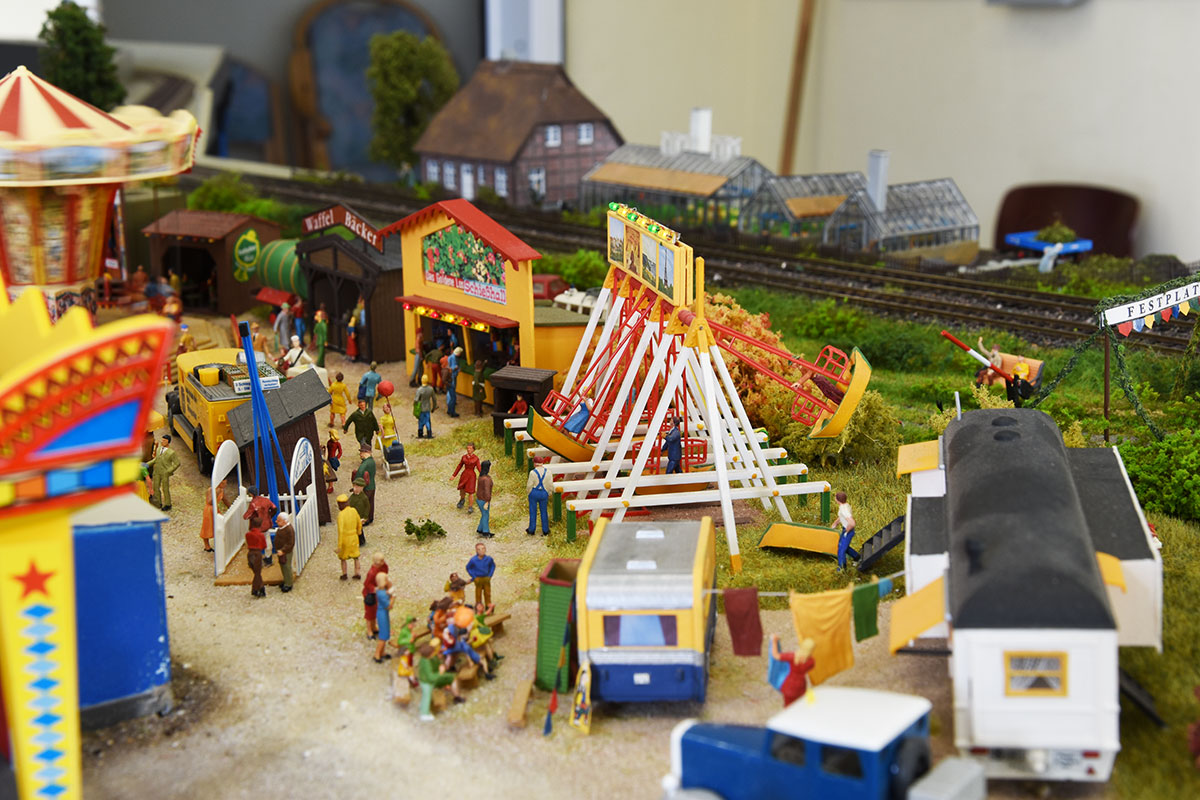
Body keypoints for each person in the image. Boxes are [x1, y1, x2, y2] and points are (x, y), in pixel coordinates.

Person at [416, 641, 464, 721]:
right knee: (427, 696)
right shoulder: (426, 662)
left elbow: (438, 664)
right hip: (427, 682)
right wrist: (440, 672)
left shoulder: (427, 658)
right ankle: (424, 714)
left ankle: (457, 697)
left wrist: (440, 661)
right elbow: (431, 677)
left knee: (426, 696)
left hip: (429, 680)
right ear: (428, 654)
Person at [768, 633, 816, 707]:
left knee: (788, 707)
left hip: (789, 686)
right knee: (800, 704)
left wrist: (774, 641)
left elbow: (776, 655)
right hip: (801, 686)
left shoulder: (793, 656)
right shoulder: (811, 662)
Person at [243, 496, 274, 598]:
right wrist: (269, 516)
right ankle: (259, 589)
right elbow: (263, 545)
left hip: (250, 553)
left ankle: (257, 589)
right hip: (258, 554)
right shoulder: (266, 501)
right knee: (258, 573)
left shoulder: (248, 534)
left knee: (256, 573)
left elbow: (246, 516)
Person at [148, 434, 180, 511]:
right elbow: (156, 460)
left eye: (164, 440)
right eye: (162, 440)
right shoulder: (159, 449)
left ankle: (168, 504)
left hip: (165, 473)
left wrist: (169, 470)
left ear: (168, 442)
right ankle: (158, 502)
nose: (162, 442)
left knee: (165, 488)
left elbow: (177, 463)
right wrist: (147, 464)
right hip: (157, 471)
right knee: (156, 487)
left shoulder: (171, 452)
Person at [363, 553, 389, 639]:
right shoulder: (372, 573)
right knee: (369, 613)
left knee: (375, 611)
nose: (383, 562)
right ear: (376, 562)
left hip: (377, 594)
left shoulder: (381, 567)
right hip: (370, 595)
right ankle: (369, 630)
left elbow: (385, 571)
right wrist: (375, 589)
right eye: (381, 560)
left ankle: (374, 627)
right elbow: (367, 584)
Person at [336, 494, 362, 580]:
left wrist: (339, 545)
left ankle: (344, 574)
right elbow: (359, 522)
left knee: (343, 558)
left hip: (345, 539)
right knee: (356, 556)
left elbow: (340, 531)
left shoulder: (341, 515)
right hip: (354, 537)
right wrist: (359, 531)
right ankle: (357, 573)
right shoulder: (353, 510)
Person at [526, 456, 554, 536]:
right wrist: (549, 492)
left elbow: (529, 484)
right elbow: (550, 484)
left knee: (532, 511)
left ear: (535, 464)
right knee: (544, 511)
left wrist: (529, 492)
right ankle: (545, 530)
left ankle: (531, 529)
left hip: (534, 492)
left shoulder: (532, 472)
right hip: (544, 492)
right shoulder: (548, 472)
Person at [832, 490, 859, 571]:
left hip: (848, 531)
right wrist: (836, 523)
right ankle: (857, 557)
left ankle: (842, 568)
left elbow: (852, 523)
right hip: (846, 529)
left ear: (837, 499)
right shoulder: (845, 505)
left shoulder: (844, 509)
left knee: (841, 550)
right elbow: (841, 516)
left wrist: (847, 531)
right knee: (844, 547)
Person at [200, 479, 229, 553]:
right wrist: (216, 493)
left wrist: (230, 507)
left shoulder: (221, 490)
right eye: (224, 483)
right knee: (207, 527)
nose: (225, 485)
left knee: (218, 525)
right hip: (209, 510)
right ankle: (207, 546)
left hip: (215, 510)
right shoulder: (211, 490)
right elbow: (210, 501)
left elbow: (225, 500)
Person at [466, 542, 495, 611]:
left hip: (486, 578)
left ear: (485, 549)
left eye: (483, 548)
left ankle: (488, 606)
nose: (481, 551)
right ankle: (479, 607)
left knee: (487, 593)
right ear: (476, 550)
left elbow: (492, 566)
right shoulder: (473, 560)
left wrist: (490, 575)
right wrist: (474, 576)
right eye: (479, 549)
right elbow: (468, 568)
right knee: (478, 594)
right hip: (478, 579)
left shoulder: (489, 559)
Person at [452, 443, 480, 511]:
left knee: (471, 492)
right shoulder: (464, 457)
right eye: (467, 448)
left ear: (473, 449)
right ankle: (462, 500)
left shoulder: (476, 458)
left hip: (471, 476)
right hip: (464, 475)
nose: (468, 450)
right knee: (462, 489)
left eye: (470, 448)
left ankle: (470, 506)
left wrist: (483, 474)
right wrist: (454, 475)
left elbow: (479, 467)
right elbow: (459, 466)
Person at [354, 444, 377, 525]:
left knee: (363, 504)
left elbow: (359, 473)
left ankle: (364, 519)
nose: (360, 454)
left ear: (366, 452)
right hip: (372, 485)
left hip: (366, 487)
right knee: (370, 502)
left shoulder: (365, 464)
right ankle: (370, 518)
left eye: (361, 452)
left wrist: (356, 484)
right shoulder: (372, 461)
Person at [373, 573, 394, 663]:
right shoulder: (381, 594)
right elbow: (389, 606)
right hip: (382, 614)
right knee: (383, 636)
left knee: (385, 634)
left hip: (383, 613)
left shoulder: (381, 591)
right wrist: (393, 597)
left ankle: (382, 652)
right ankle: (377, 654)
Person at [274, 512, 295, 593]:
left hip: (286, 552)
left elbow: (290, 543)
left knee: (286, 567)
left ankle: (289, 584)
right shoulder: (281, 528)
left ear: (284, 521)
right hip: (280, 551)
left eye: (279, 520)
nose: (276, 521)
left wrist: (283, 550)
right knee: (283, 567)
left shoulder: (289, 530)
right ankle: (286, 580)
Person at [475, 461, 494, 538]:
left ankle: (480, 528)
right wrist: (487, 501)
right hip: (484, 500)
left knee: (483, 514)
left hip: (479, 499)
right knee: (486, 515)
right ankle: (485, 531)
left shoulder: (481, 477)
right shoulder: (486, 479)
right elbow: (487, 491)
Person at [415, 374, 436, 439]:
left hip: (421, 408)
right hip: (427, 408)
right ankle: (429, 434)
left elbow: (416, 400)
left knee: (420, 421)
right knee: (427, 421)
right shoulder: (431, 389)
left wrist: (415, 409)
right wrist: (434, 407)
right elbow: (434, 399)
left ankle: (420, 434)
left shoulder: (419, 390)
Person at [446, 346, 463, 417]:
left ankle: (449, 409)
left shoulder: (451, 357)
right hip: (452, 377)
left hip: (450, 377)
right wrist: (456, 368)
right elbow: (451, 368)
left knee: (450, 394)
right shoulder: (453, 358)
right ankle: (452, 412)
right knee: (453, 396)